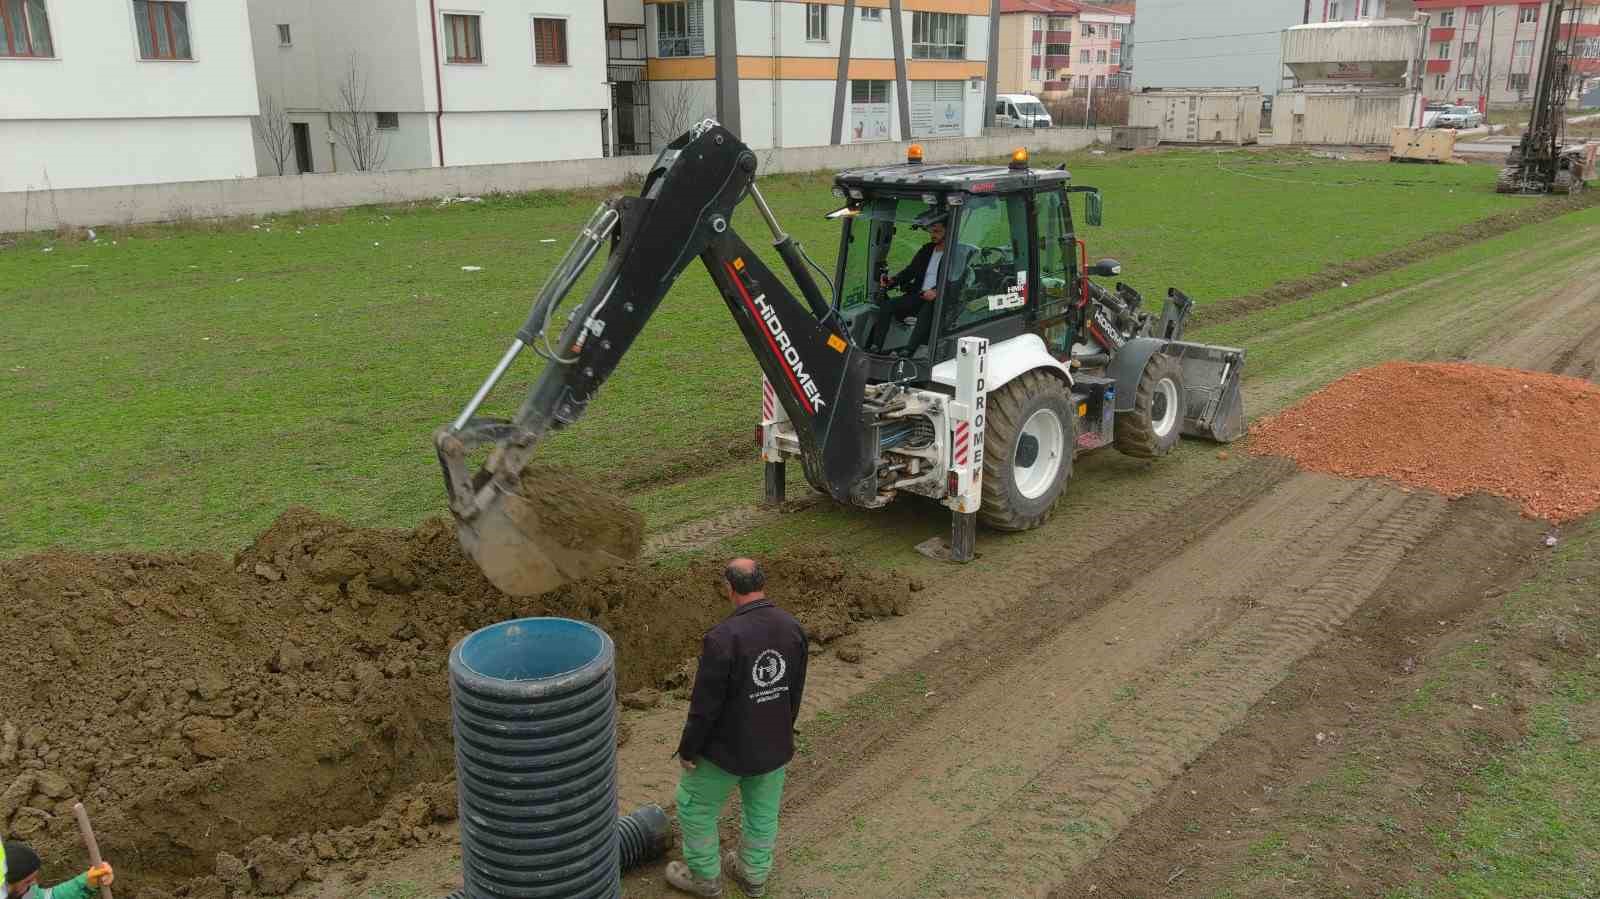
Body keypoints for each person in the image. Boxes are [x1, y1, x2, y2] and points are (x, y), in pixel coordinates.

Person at [665, 558, 809, 898]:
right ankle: (753, 876)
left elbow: (704, 707)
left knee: (695, 808)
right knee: (762, 813)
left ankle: (705, 878)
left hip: (724, 754)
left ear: (728, 589)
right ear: (763, 584)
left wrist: (689, 750)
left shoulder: (722, 638)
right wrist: (782, 730)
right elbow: (794, 690)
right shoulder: (792, 627)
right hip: (773, 747)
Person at [870, 217, 948, 355]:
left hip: (938, 299)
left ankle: (908, 351)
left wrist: (937, 291)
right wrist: (892, 281)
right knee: (888, 306)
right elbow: (911, 271)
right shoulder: (927, 249)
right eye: (931, 231)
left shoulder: (954, 254)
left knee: (927, 308)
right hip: (919, 295)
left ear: (948, 232)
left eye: (937, 231)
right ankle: (875, 347)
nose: (933, 235)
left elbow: (955, 279)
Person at [2, 842, 114, 899]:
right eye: (27, 881)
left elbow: (51, 897)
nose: (34, 883)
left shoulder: (25, 893)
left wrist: (87, 882)